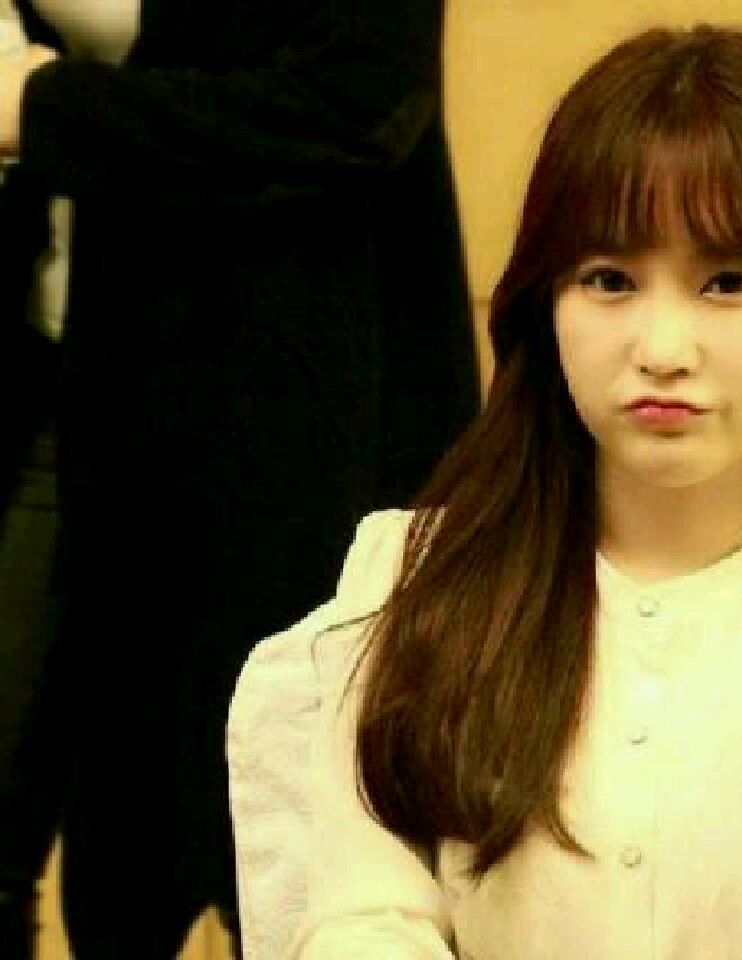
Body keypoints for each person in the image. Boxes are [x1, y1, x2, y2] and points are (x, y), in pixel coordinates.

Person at [227, 23, 742, 959]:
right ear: (549, 302)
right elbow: (363, 916)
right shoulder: (417, 579)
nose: (662, 349)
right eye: (610, 279)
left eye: (727, 283)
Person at [0, 1, 478, 957]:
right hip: (65, 389)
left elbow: (357, 106)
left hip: (292, 409)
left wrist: (45, 108)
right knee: (96, 842)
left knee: (303, 846)